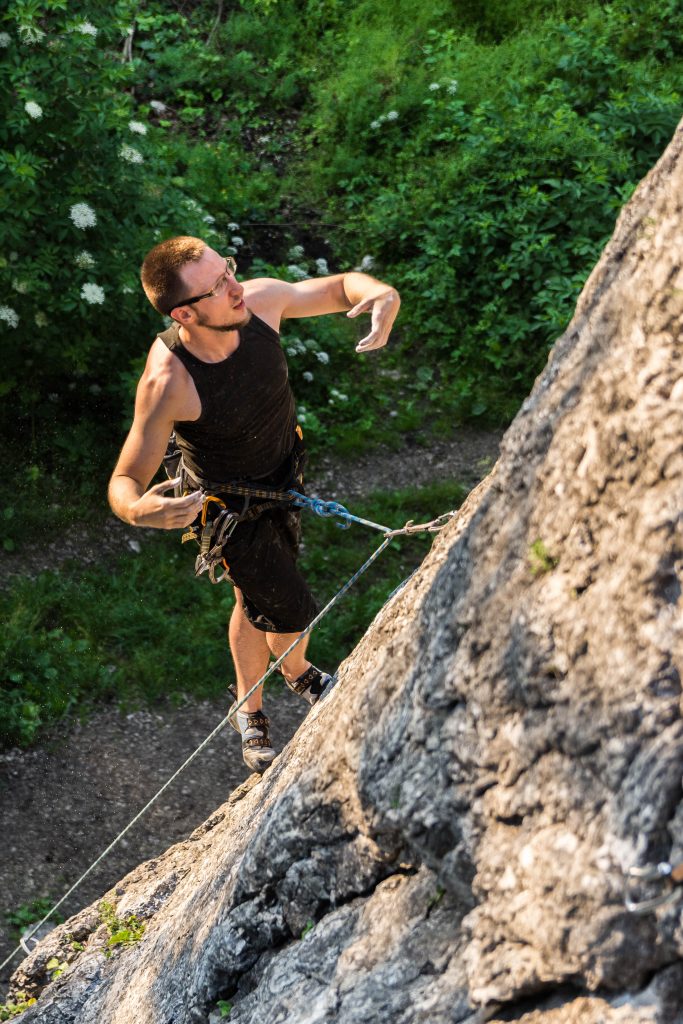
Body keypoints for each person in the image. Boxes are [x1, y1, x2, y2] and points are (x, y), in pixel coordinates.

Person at [108, 236, 400, 773]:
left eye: (229, 271)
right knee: (287, 607)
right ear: (184, 313)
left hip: (284, 473)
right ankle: (300, 673)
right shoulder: (168, 381)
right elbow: (125, 478)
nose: (236, 287)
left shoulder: (258, 305)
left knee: (252, 600)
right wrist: (140, 510)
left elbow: (338, 287)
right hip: (227, 508)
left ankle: (249, 710)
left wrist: (380, 292)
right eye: (218, 286)